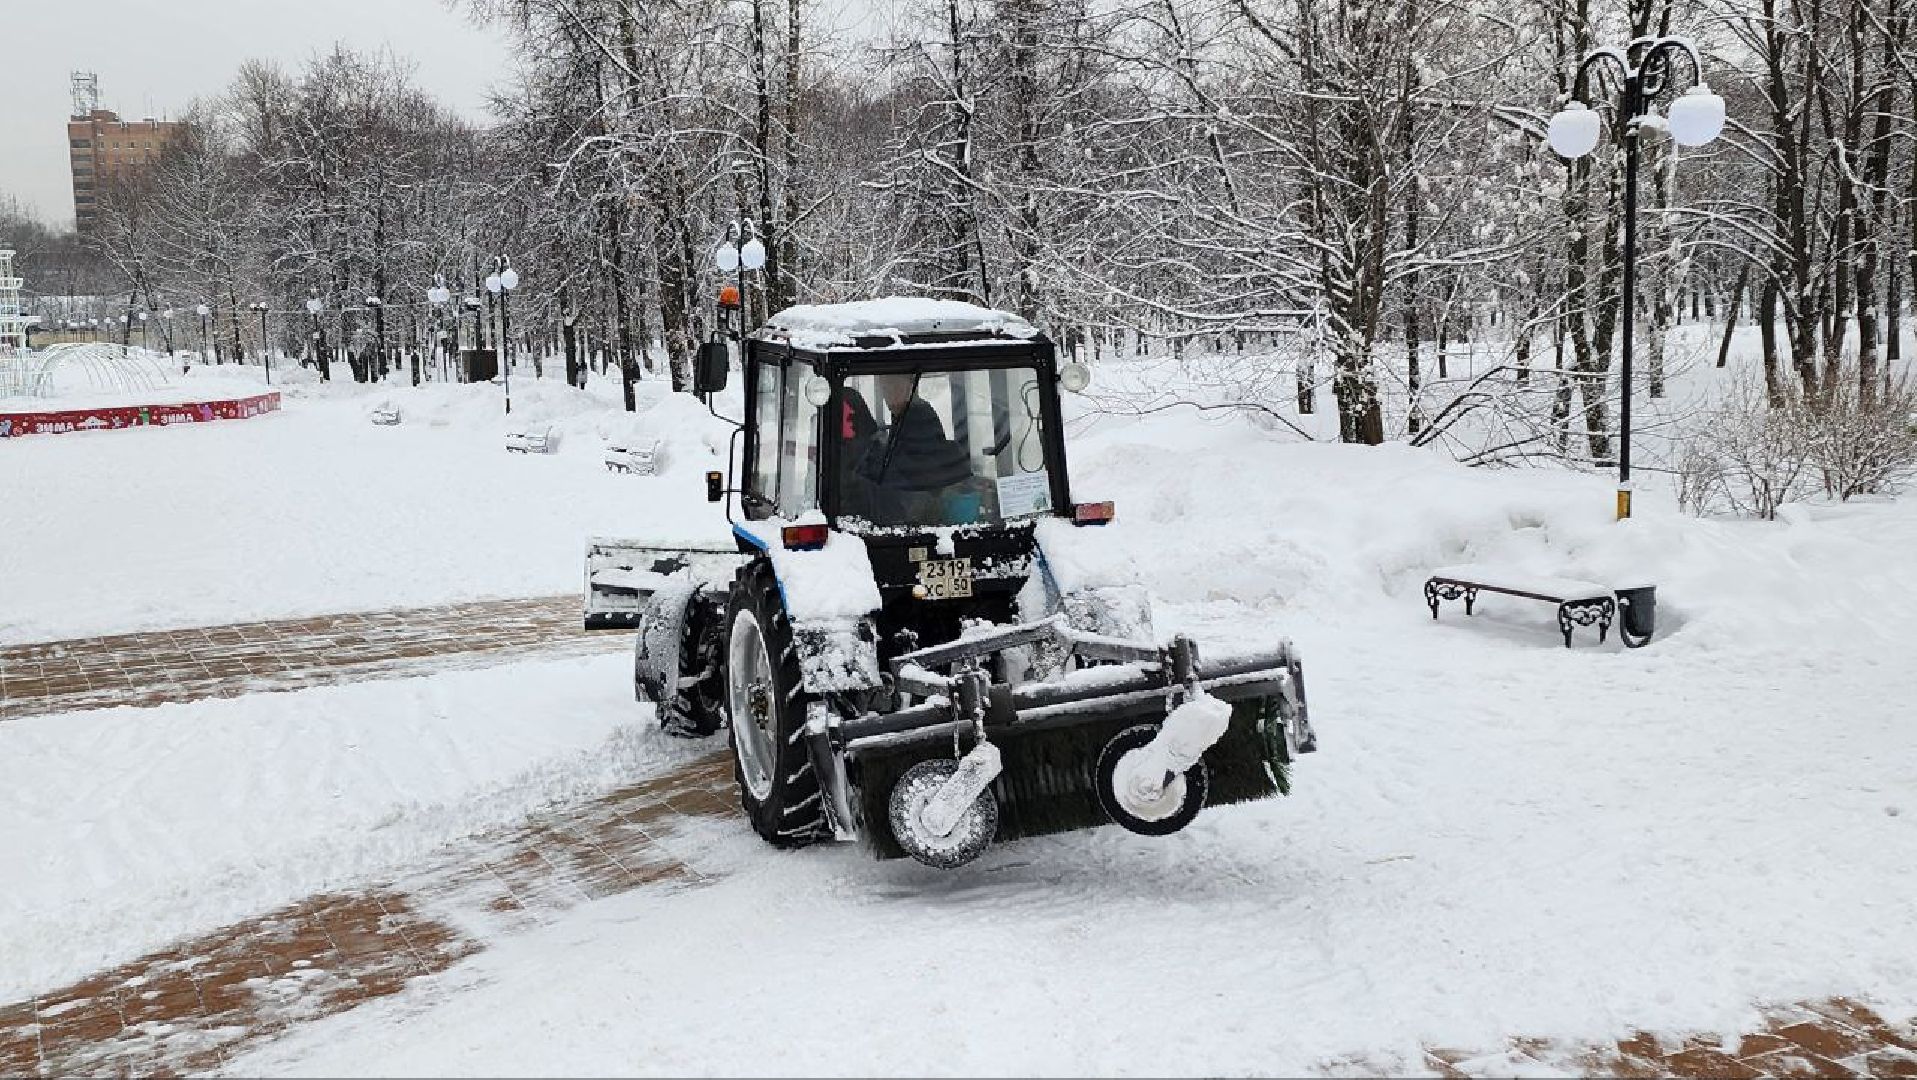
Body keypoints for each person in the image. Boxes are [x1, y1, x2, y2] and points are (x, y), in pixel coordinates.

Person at [840, 373, 972, 523]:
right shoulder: (898, 419)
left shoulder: (918, 416)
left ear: (910, 385)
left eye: (894, 385)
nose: (888, 392)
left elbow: (914, 471)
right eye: (884, 386)